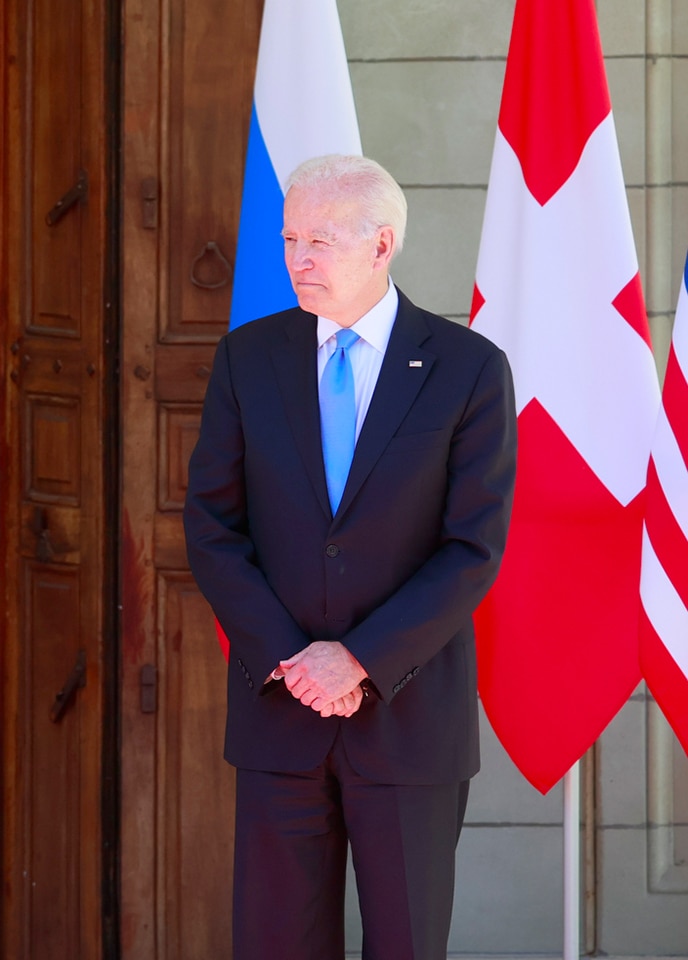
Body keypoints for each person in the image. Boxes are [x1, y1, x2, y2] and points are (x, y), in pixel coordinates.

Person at [184, 155, 516, 959]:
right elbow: (212, 525)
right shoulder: (247, 357)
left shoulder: (466, 368)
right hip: (280, 715)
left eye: (321, 240)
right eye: (290, 237)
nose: (298, 258)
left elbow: (471, 548)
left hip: (407, 721)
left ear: (381, 245)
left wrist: (360, 660)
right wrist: (293, 659)